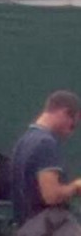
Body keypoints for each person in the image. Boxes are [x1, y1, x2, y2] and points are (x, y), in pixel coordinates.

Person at [10, 90, 81, 225]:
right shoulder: (46, 143)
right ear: (64, 112)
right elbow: (51, 196)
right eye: (73, 125)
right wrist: (76, 187)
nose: (71, 131)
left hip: (25, 232)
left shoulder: (24, 141)